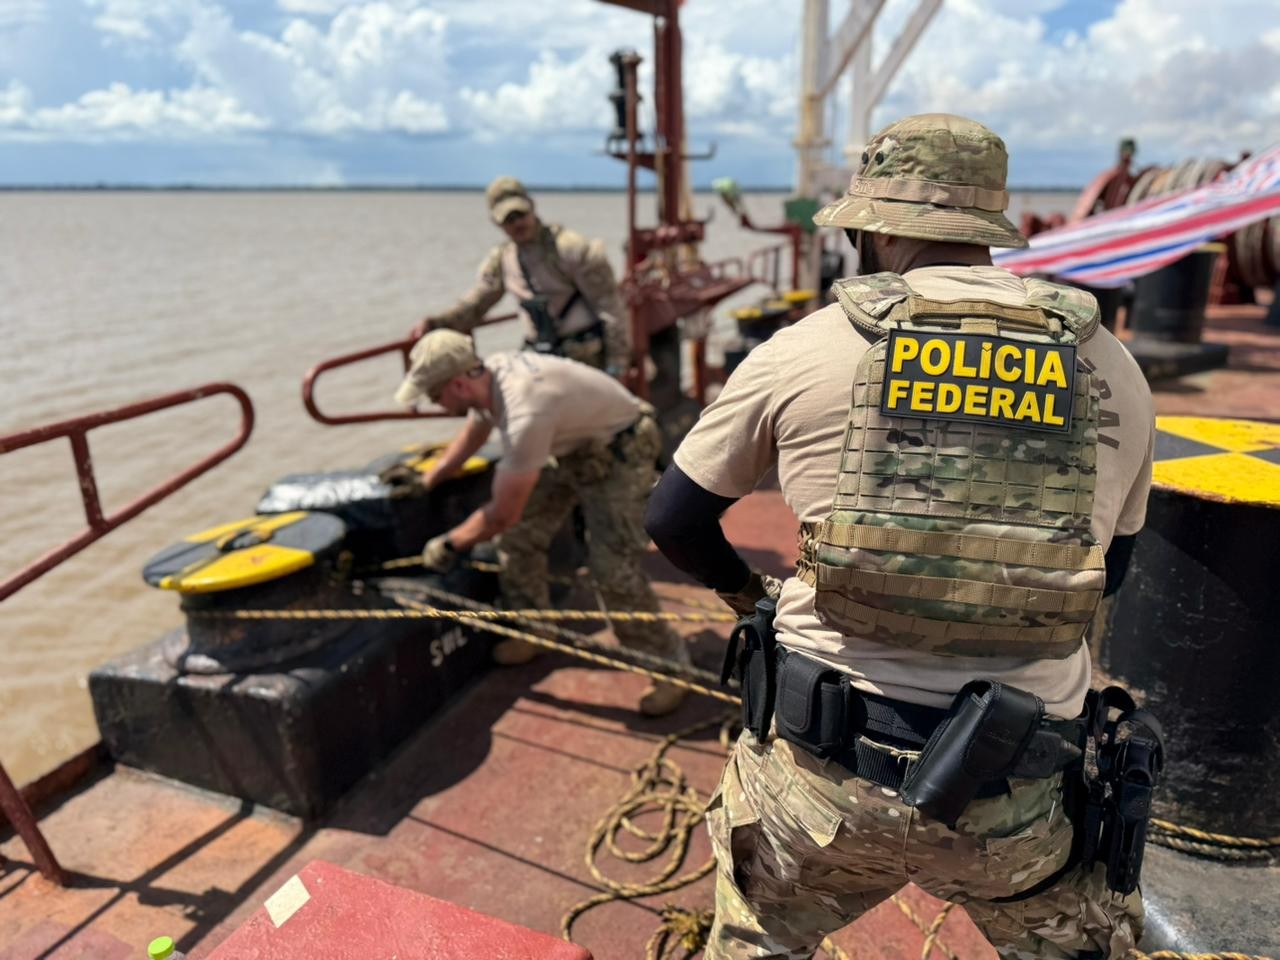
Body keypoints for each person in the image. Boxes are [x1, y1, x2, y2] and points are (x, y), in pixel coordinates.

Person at [645, 114, 1156, 959]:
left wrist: (753, 598)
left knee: (759, 937)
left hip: (818, 783)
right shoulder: (1115, 367)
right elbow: (1117, 570)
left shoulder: (803, 348)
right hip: (1017, 787)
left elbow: (673, 518)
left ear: (875, 229)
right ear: (987, 227)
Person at [394, 329, 689, 716]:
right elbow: (476, 428)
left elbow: (502, 513)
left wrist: (449, 543)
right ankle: (536, 627)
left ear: (460, 383)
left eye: (435, 395)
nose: (435, 404)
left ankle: (669, 665)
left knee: (611, 568)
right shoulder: (489, 375)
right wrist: (429, 478)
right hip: (573, 448)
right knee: (519, 538)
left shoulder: (524, 412)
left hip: (622, 450)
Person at [417, 176, 631, 377]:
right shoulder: (503, 258)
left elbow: (611, 309)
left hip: (585, 356)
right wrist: (437, 323)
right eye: (508, 219)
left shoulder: (571, 248)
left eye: (520, 214)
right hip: (539, 355)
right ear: (495, 221)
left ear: (532, 207)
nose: (517, 224)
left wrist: (617, 365)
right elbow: (477, 303)